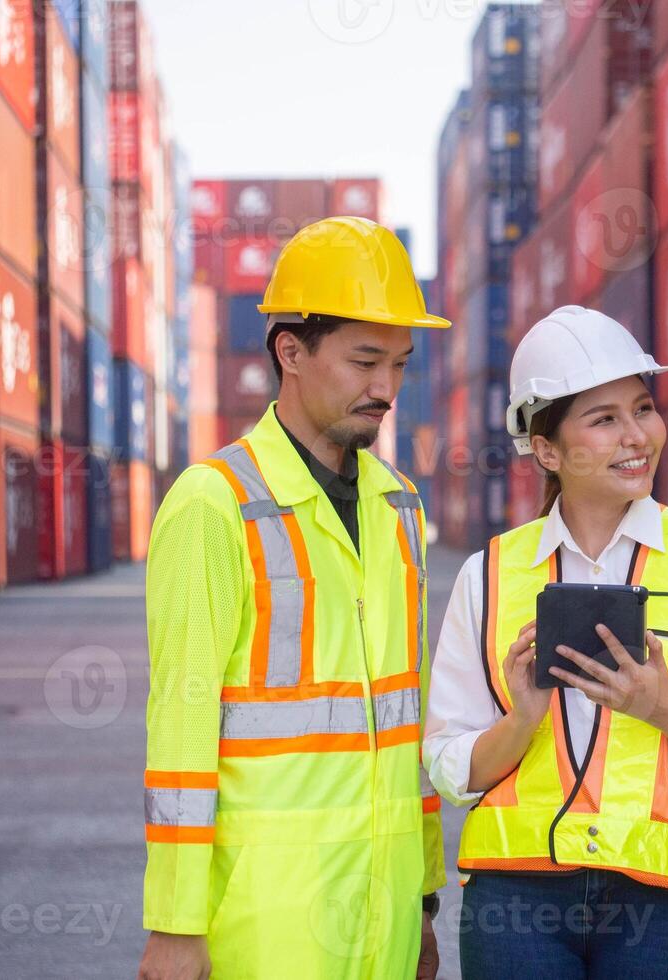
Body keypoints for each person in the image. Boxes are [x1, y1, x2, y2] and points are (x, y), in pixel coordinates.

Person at [422, 306, 668, 979]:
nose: (637, 434)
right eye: (604, 417)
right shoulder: (490, 574)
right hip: (516, 901)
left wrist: (662, 708)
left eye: (642, 408)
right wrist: (521, 719)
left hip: (665, 901)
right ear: (547, 449)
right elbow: (449, 765)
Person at [138, 217, 448, 980]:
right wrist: (175, 925)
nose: (386, 389)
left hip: (385, 906)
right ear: (290, 352)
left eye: (401, 365)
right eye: (365, 361)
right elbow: (180, 727)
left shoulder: (399, 505)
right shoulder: (213, 504)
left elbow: (408, 718)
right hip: (268, 922)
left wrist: (425, 898)